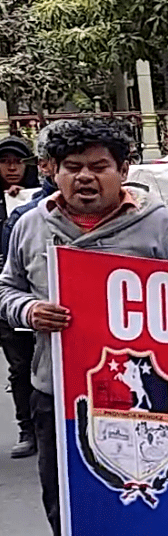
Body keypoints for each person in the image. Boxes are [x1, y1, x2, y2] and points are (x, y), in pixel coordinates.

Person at [2, 119, 168, 536]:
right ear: (52, 172)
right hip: (60, 394)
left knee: (152, 502)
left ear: (124, 171)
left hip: (144, 399)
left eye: (99, 167)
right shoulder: (29, 226)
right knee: (66, 510)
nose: (85, 178)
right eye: (72, 168)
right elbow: (6, 287)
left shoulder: (158, 227)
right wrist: (27, 312)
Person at [1, 138, 52, 459]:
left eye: (17, 161)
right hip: (12, 295)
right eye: (4, 161)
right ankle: (27, 428)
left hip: (44, 294)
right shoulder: (22, 215)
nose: (11, 168)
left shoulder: (34, 206)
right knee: (20, 366)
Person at [1, 135, 39, 215]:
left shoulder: (43, 196)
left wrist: (25, 196)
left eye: (19, 161)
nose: (12, 167)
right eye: (4, 161)